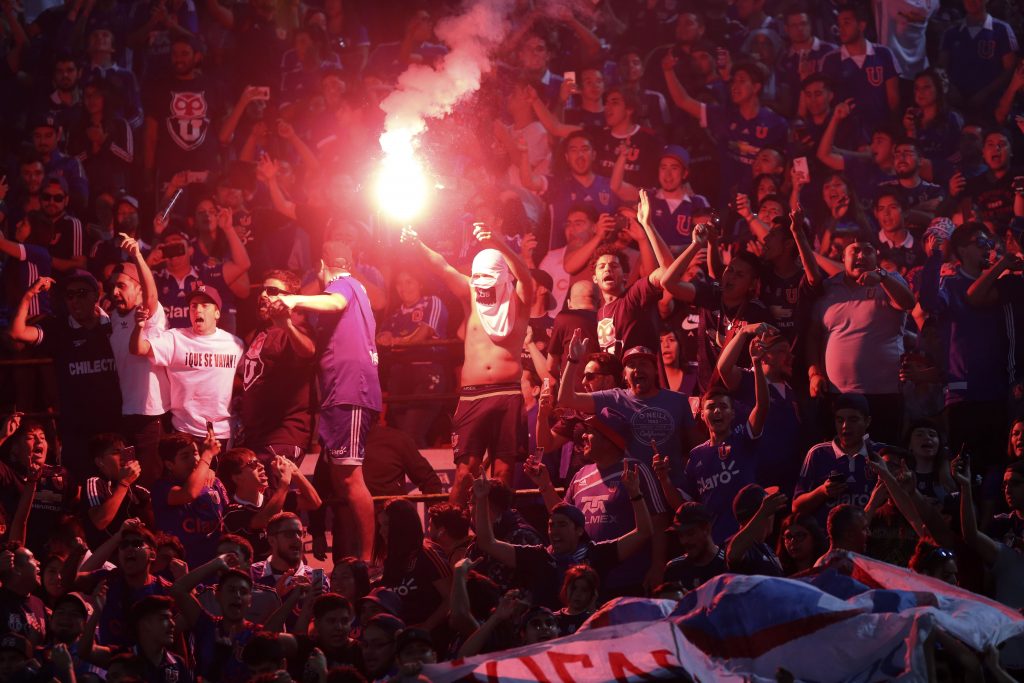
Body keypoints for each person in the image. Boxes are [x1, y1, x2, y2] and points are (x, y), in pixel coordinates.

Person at [401, 223, 533, 503]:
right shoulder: (471, 294)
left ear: (502, 275)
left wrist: (500, 244)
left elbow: (526, 276)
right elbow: (444, 267)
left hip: (508, 393)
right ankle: (448, 536)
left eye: (489, 275)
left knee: (504, 472)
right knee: (465, 472)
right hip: (474, 395)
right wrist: (418, 245)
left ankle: (501, 536)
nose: (482, 281)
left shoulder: (519, 298)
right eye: (477, 276)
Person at [276, 241, 381, 561]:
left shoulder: (343, 284)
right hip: (342, 392)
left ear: (324, 265)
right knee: (340, 477)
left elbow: (333, 302)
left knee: (350, 477)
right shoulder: (355, 293)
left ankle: (367, 559)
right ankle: (356, 555)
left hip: (349, 391)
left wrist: (292, 298)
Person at [472, 470, 651, 610]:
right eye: (551, 525)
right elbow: (488, 543)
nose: (554, 531)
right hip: (549, 633)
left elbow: (643, 532)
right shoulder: (539, 557)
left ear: (579, 530)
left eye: (562, 525)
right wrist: (481, 500)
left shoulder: (597, 554)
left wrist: (635, 494)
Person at [7, 272, 122, 479]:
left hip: (114, 427)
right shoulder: (57, 328)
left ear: (96, 295)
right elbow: (16, 332)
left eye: (81, 293)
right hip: (75, 430)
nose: (74, 300)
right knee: (78, 492)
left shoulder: (115, 324)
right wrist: (29, 295)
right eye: (69, 295)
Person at [807, 240, 914, 444]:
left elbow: (908, 303)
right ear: (843, 259)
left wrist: (882, 277)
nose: (861, 256)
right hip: (836, 394)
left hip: (884, 394)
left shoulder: (890, 281)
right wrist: (814, 373)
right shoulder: (829, 287)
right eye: (854, 251)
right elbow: (813, 335)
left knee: (883, 457)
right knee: (838, 460)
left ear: (876, 257)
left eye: (868, 250)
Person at [558, 340, 697, 486]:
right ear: (624, 375)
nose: (638, 369)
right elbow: (566, 399)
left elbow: (696, 447)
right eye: (632, 365)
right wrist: (572, 360)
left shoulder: (678, 400)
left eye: (644, 363)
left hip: (674, 489)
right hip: (631, 492)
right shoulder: (613, 398)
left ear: (656, 370)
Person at [681, 335, 769, 542]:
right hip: (713, 544)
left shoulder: (743, 438)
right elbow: (685, 503)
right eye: (711, 407)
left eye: (723, 407)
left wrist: (756, 362)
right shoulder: (696, 456)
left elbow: (762, 407)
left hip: (747, 541)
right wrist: (664, 480)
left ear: (732, 414)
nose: (717, 411)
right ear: (702, 415)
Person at [131, 284, 243, 445]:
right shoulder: (175, 338)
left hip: (222, 432)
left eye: (205, 305)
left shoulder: (234, 344)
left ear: (217, 313)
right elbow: (138, 349)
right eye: (193, 306)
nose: (198, 310)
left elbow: (250, 377)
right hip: (184, 431)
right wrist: (139, 327)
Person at [107, 237, 169, 488]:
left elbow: (152, 294)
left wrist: (138, 256)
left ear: (138, 289)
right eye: (112, 287)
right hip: (126, 413)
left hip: (149, 415)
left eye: (121, 286)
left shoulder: (148, 313)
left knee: (150, 482)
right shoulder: (113, 316)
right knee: (130, 481)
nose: (114, 292)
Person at [236, 270, 316, 462]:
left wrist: (287, 325)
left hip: (282, 437)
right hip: (255, 437)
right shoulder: (260, 332)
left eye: (272, 291)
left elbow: (308, 350)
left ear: (290, 299)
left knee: (272, 492)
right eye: (263, 290)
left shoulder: (296, 328)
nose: (263, 295)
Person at [793, 393, 881, 528]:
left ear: (867, 421)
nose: (845, 426)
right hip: (826, 544)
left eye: (853, 420)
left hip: (869, 540)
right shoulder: (818, 453)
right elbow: (796, 507)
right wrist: (822, 491)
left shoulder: (881, 453)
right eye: (840, 420)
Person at [150, 432, 228, 567]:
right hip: (180, 569)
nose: (195, 460)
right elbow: (189, 494)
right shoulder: (161, 488)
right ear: (169, 465)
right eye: (185, 456)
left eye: (196, 453)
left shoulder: (214, 482)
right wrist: (207, 455)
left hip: (215, 567)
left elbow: (227, 518)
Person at [374, 499, 452, 632]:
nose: (381, 531)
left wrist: (426, 627)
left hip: (428, 638)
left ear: (402, 525)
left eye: (387, 524)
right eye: (380, 525)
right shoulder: (392, 557)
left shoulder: (427, 554)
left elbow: (451, 598)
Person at [83, 433, 153, 549]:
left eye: (125, 451)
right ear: (100, 461)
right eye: (116, 452)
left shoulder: (140, 492)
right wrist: (124, 483)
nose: (123, 457)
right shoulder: (95, 483)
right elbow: (100, 520)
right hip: (106, 560)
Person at [663, 502, 726, 590]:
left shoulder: (726, 564)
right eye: (681, 535)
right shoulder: (674, 570)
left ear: (707, 529)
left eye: (690, 533)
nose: (684, 541)